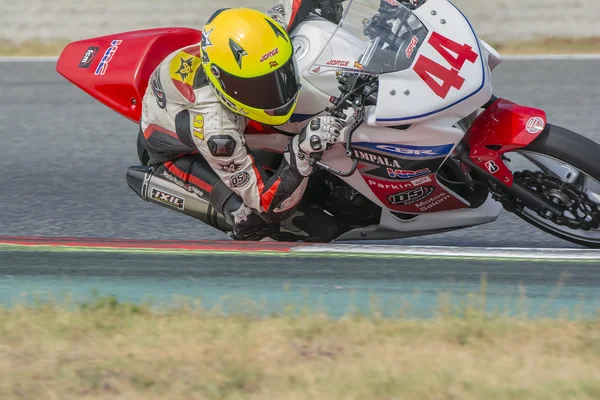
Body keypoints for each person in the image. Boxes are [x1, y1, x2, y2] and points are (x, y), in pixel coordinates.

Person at [137, 1, 348, 242]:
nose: (276, 93)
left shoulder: (265, 36)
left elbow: (298, 5)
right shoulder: (216, 130)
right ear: (223, 81)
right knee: (257, 218)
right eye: (258, 86)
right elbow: (268, 204)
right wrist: (303, 151)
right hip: (177, 152)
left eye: (281, 75)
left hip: (229, 113)